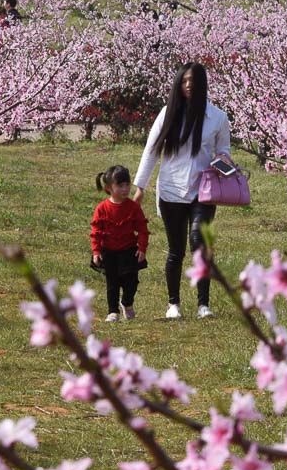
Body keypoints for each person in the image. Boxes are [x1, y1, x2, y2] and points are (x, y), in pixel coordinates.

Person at [133, 63, 232, 320]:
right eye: (184, 81)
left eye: (194, 81)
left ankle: (203, 304)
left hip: (204, 190)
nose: (189, 85)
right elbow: (151, 151)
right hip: (171, 190)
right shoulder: (168, 113)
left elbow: (224, 151)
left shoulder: (218, 118)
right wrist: (140, 187)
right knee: (176, 249)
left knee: (199, 243)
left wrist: (223, 164)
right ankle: (173, 303)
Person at [91, 165, 149, 323]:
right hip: (108, 252)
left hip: (129, 250)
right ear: (109, 188)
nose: (125, 189)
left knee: (131, 281)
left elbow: (143, 230)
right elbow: (96, 231)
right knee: (112, 283)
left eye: (127, 185)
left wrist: (142, 248)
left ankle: (127, 303)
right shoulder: (102, 208)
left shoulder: (133, 207)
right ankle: (112, 311)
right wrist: (96, 252)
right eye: (120, 186)